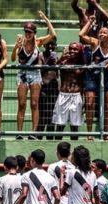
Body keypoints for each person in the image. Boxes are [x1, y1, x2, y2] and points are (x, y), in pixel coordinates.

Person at [11, 11, 56, 140]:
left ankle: (33, 132)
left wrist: (46, 19)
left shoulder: (38, 42)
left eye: (30, 32)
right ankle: (19, 132)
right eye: (26, 31)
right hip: (23, 74)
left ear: (34, 33)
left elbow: (53, 34)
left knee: (35, 104)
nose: (28, 34)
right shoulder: (21, 43)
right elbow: (13, 59)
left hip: (35, 74)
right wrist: (15, 47)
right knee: (22, 104)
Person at [79, 16, 108, 140]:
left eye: (105, 33)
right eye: (100, 32)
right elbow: (81, 35)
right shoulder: (95, 43)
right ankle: (89, 133)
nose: (101, 34)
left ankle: (106, 132)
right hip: (92, 76)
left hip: (106, 77)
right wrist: (90, 22)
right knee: (89, 103)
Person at [52, 42, 85, 140]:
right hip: (63, 94)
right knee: (60, 124)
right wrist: (62, 57)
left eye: (75, 49)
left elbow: (83, 82)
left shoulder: (82, 64)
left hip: (76, 95)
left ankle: (74, 147)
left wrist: (83, 100)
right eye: (71, 49)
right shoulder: (64, 61)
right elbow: (55, 68)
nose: (72, 51)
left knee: (74, 126)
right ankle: (57, 146)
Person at [37, 38, 58, 139]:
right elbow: (40, 70)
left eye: (53, 44)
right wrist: (49, 61)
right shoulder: (41, 55)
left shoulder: (56, 56)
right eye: (48, 44)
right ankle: (39, 135)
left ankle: (50, 136)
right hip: (43, 86)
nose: (50, 46)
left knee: (52, 113)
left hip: (54, 87)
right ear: (44, 45)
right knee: (42, 113)